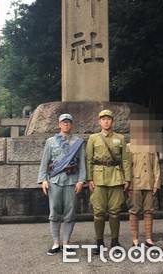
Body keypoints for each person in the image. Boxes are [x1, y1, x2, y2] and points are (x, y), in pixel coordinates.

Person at [37, 113, 86, 255]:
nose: (66, 124)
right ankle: (55, 243)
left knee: (70, 212)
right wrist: (43, 179)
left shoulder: (78, 142)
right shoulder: (51, 141)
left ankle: (66, 243)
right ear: (59, 124)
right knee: (54, 211)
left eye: (68, 122)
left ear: (71, 124)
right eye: (63, 122)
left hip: (72, 181)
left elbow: (82, 164)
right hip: (54, 181)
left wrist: (81, 180)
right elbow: (44, 162)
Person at [86, 109, 130, 253]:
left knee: (115, 212)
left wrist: (127, 178)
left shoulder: (121, 138)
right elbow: (89, 160)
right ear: (99, 122)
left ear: (113, 121)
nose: (106, 121)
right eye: (103, 119)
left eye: (108, 119)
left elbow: (125, 159)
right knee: (98, 212)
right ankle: (99, 242)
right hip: (98, 178)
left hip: (116, 177)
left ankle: (115, 242)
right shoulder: (93, 138)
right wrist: (90, 178)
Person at [127, 122, 161, 247]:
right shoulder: (129, 147)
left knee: (149, 211)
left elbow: (156, 166)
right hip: (135, 184)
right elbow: (127, 167)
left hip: (149, 183)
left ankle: (148, 239)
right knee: (134, 211)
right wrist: (127, 184)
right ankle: (135, 239)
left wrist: (156, 183)